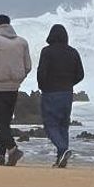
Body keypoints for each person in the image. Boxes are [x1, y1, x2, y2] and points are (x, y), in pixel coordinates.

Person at [0, 14, 32, 165]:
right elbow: (28, 66)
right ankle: (0, 155)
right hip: (13, 88)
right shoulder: (22, 42)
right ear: (9, 25)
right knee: (5, 122)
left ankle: (13, 149)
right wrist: (18, 80)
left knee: (0, 122)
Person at [36, 23, 85, 168]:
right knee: (63, 125)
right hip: (67, 93)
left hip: (51, 93)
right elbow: (80, 74)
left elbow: (41, 72)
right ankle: (60, 158)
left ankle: (63, 149)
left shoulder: (47, 51)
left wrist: (43, 86)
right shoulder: (73, 52)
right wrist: (69, 83)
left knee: (50, 124)